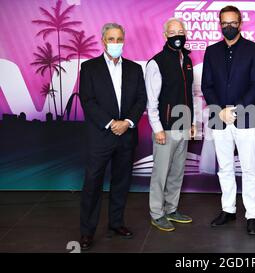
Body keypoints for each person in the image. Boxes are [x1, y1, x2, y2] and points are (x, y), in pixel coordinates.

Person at [79, 23, 147, 250]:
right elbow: (88, 101)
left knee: (121, 182)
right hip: (101, 136)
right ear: (103, 41)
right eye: (111, 39)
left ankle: (116, 223)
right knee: (92, 184)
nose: (116, 43)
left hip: (126, 135)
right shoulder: (89, 68)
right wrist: (111, 124)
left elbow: (141, 99)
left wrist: (127, 123)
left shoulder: (135, 69)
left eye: (119, 39)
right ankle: (87, 231)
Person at [201, 5, 255, 235]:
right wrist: (220, 110)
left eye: (233, 22)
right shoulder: (212, 51)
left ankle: (252, 214)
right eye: (224, 23)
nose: (228, 26)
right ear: (220, 24)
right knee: (225, 167)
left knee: (249, 168)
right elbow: (206, 85)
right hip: (219, 117)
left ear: (240, 23)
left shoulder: (254, 50)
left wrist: (235, 110)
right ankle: (228, 210)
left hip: (246, 116)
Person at [145, 18, 196, 232]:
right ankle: (157, 213)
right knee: (161, 172)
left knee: (177, 171)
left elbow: (190, 94)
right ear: (165, 35)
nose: (177, 35)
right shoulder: (156, 62)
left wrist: (192, 122)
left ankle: (172, 208)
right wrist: (157, 128)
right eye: (173, 32)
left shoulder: (187, 60)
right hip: (165, 128)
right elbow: (151, 100)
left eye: (181, 31)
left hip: (183, 125)